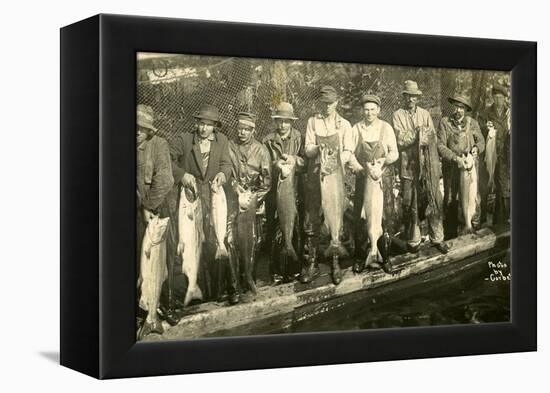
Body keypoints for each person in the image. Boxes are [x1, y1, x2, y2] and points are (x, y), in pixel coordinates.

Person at [169, 104, 234, 304]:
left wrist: (222, 175)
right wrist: (182, 175)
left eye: (209, 125)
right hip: (191, 198)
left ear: (215, 126)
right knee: (191, 243)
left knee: (216, 241)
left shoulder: (222, 141)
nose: (204, 129)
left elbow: (226, 164)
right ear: (196, 123)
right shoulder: (184, 140)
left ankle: (219, 290)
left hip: (213, 198)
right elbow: (167, 160)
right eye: (201, 124)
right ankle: (192, 290)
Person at [302, 85, 354, 285]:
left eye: (330, 103)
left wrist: (334, 159)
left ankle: (335, 260)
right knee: (312, 220)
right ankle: (312, 263)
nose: (326, 107)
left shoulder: (345, 125)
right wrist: (318, 148)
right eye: (323, 103)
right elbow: (307, 149)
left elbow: (349, 151)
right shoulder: (313, 121)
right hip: (316, 175)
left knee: (336, 214)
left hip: (336, 175)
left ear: (337, 103)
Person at [392, 80, 450, 254]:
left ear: (417, 98)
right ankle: (414, 240)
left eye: (414, 97)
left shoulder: (425, 114)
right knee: (410, 203)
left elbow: (431, 136)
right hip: (408, 168)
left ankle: (437, 238)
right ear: (404, 97)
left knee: (433, 198)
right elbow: (400, 139)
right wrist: (417, 134)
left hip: (426, 167)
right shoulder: (397, 115)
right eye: (408, 96)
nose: (411, 100)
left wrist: (422, 136)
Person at [345, 94, 399, 273]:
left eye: (372, 109)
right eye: (366, 109)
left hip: (382, 180)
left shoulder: (386, 128)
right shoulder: (356, 128)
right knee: (361, 219)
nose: (369, 113)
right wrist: (360, 168)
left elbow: (394, 153)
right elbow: (349, 154)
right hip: (363, 180)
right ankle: (361, 257)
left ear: (379, 110)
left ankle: (385, 256)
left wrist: (383, 162)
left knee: (385, 218)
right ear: (363, 110)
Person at [136, 104, 174, 337]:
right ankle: (141, 313)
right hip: (136, 211)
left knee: (159, 265)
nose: (137, 132)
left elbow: (166, 179)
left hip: (156, 212)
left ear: (150, 131)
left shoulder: (158, 145)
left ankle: (159, 310)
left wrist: (148, 206)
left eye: (142, 129)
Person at [227, 112, 272, 296]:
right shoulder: (229, 147)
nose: (242, 133)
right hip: (234, 198)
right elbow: (227, 172)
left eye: (246, 129)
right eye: (240, 129)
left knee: (255, 241)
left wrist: (254, 198)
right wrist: (236, 189)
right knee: (232, 241)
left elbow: (267, 181)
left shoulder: (261, 150)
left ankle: (250, 279)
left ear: (253, 131)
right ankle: (234, 285)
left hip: (254, 200)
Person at [263, 102, 305, 284]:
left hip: (295, 190)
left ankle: (294, 269)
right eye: (280, 121)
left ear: (291, 122)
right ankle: (276, 271)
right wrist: (275, 165)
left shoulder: (299, 138)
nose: (282, 125)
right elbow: (263, 165)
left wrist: (295, 160)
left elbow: (306, 163)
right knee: (274, 231)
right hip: (275, 192)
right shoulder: (267, 140)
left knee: (295, 229)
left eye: (286, 121)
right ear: (276, 122)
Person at [438, 94, 485, 237]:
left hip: (469, 170)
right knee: (451, 198)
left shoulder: (473, 123)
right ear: (453, 107)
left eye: (461, 107)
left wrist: (477, 148)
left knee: (473, 197)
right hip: (452, 169)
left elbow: (481, 141)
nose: (458, 110)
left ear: (465, 109)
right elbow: (440, 145)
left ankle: (473, 228)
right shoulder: (445, 122)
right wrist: (455, 158)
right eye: (456, 107)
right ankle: (451, 234)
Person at [477, 83, 510, 225]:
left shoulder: (510, 113)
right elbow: (478, 131)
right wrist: (486, 128)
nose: (498, 100)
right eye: (495, 97)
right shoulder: (485, 113)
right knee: (484, 187)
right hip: (488, 156)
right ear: (492, 98)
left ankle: (500, 221)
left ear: (504, 98)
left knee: (502, 188)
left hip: (504, 157)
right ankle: (482, 219)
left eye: (500, 97)